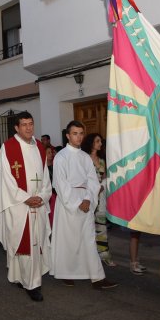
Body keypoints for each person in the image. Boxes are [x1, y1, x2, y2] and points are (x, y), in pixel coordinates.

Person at [50, 120, 118, 289]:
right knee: (69, 240)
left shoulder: (85, 157)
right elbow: (60, 183)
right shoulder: (61, 156)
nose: (78, 137)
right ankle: (66, 273)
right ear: (68, 135)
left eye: (81, 133)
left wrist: (88, 199)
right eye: (75, 133)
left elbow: (93, 181)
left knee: (88, 239)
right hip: (69, 203)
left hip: (86, 201)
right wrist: (77, 202)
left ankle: (97, 277)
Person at [0, 111, 52, 302]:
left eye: (31, 123)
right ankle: (31, 284)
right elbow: (6, 180)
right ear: (17, 128)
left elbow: (45, 177)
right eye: (24, 124)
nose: (28, 128)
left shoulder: (40, 148)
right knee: (23, 243)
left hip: (37, 204)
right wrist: (26, 198)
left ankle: (25, 278)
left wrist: (42, 196)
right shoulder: (8, 148)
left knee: (35, 243)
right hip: (18, 205)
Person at [81, 133, 115, 267]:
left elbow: (105, 177)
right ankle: (88, 256)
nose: (100, 144)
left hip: (100, 197)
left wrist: (102, 185)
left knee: (101, 226)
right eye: (98, 141)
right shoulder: (84, 159)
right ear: (91, 143)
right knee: (87, 227)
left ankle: (104, 254)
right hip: (88, 197)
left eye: (100, 141)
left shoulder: (101, 160)